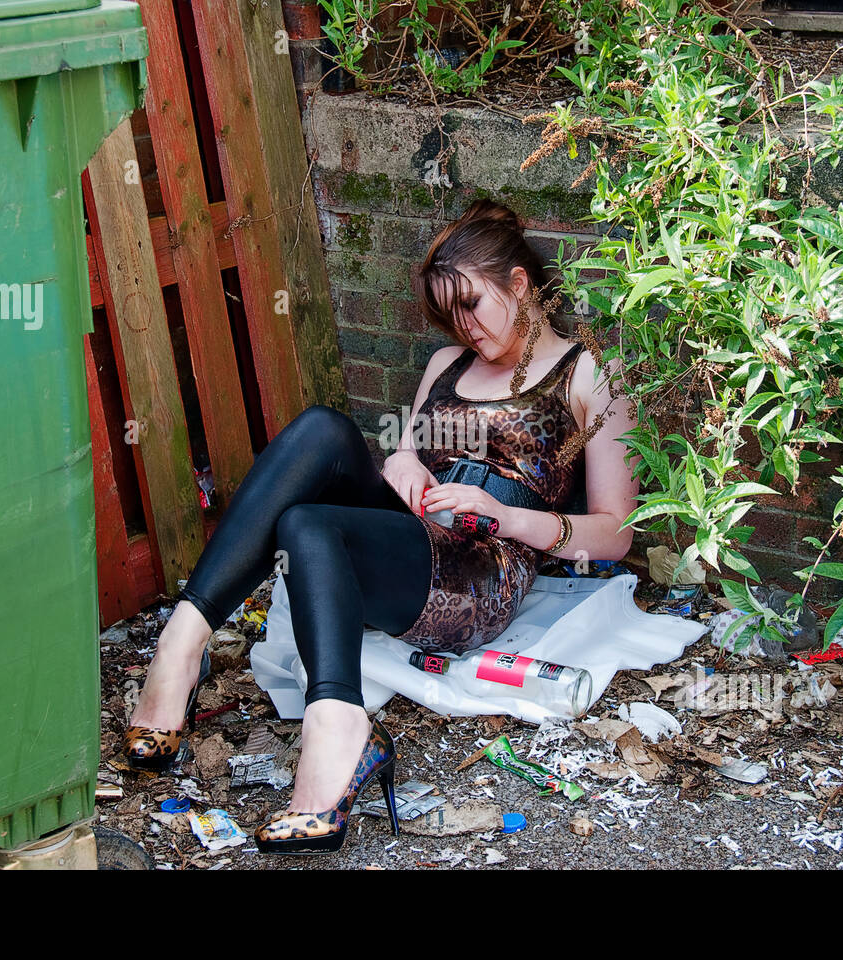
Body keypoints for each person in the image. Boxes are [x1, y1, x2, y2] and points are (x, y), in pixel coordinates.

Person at [121, 198, 640, 855]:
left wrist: (512, 517)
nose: (464, 326)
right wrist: (402, 463)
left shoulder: (590, 374)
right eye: (449, 313)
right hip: (412, 538)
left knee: (309, 525)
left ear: (518, 284)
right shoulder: (446, 366)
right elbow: (409, 451)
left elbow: (616, 533)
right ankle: (185, 643)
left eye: (471, 304)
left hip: (480, 570)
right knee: (321, 431)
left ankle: (331, 736)